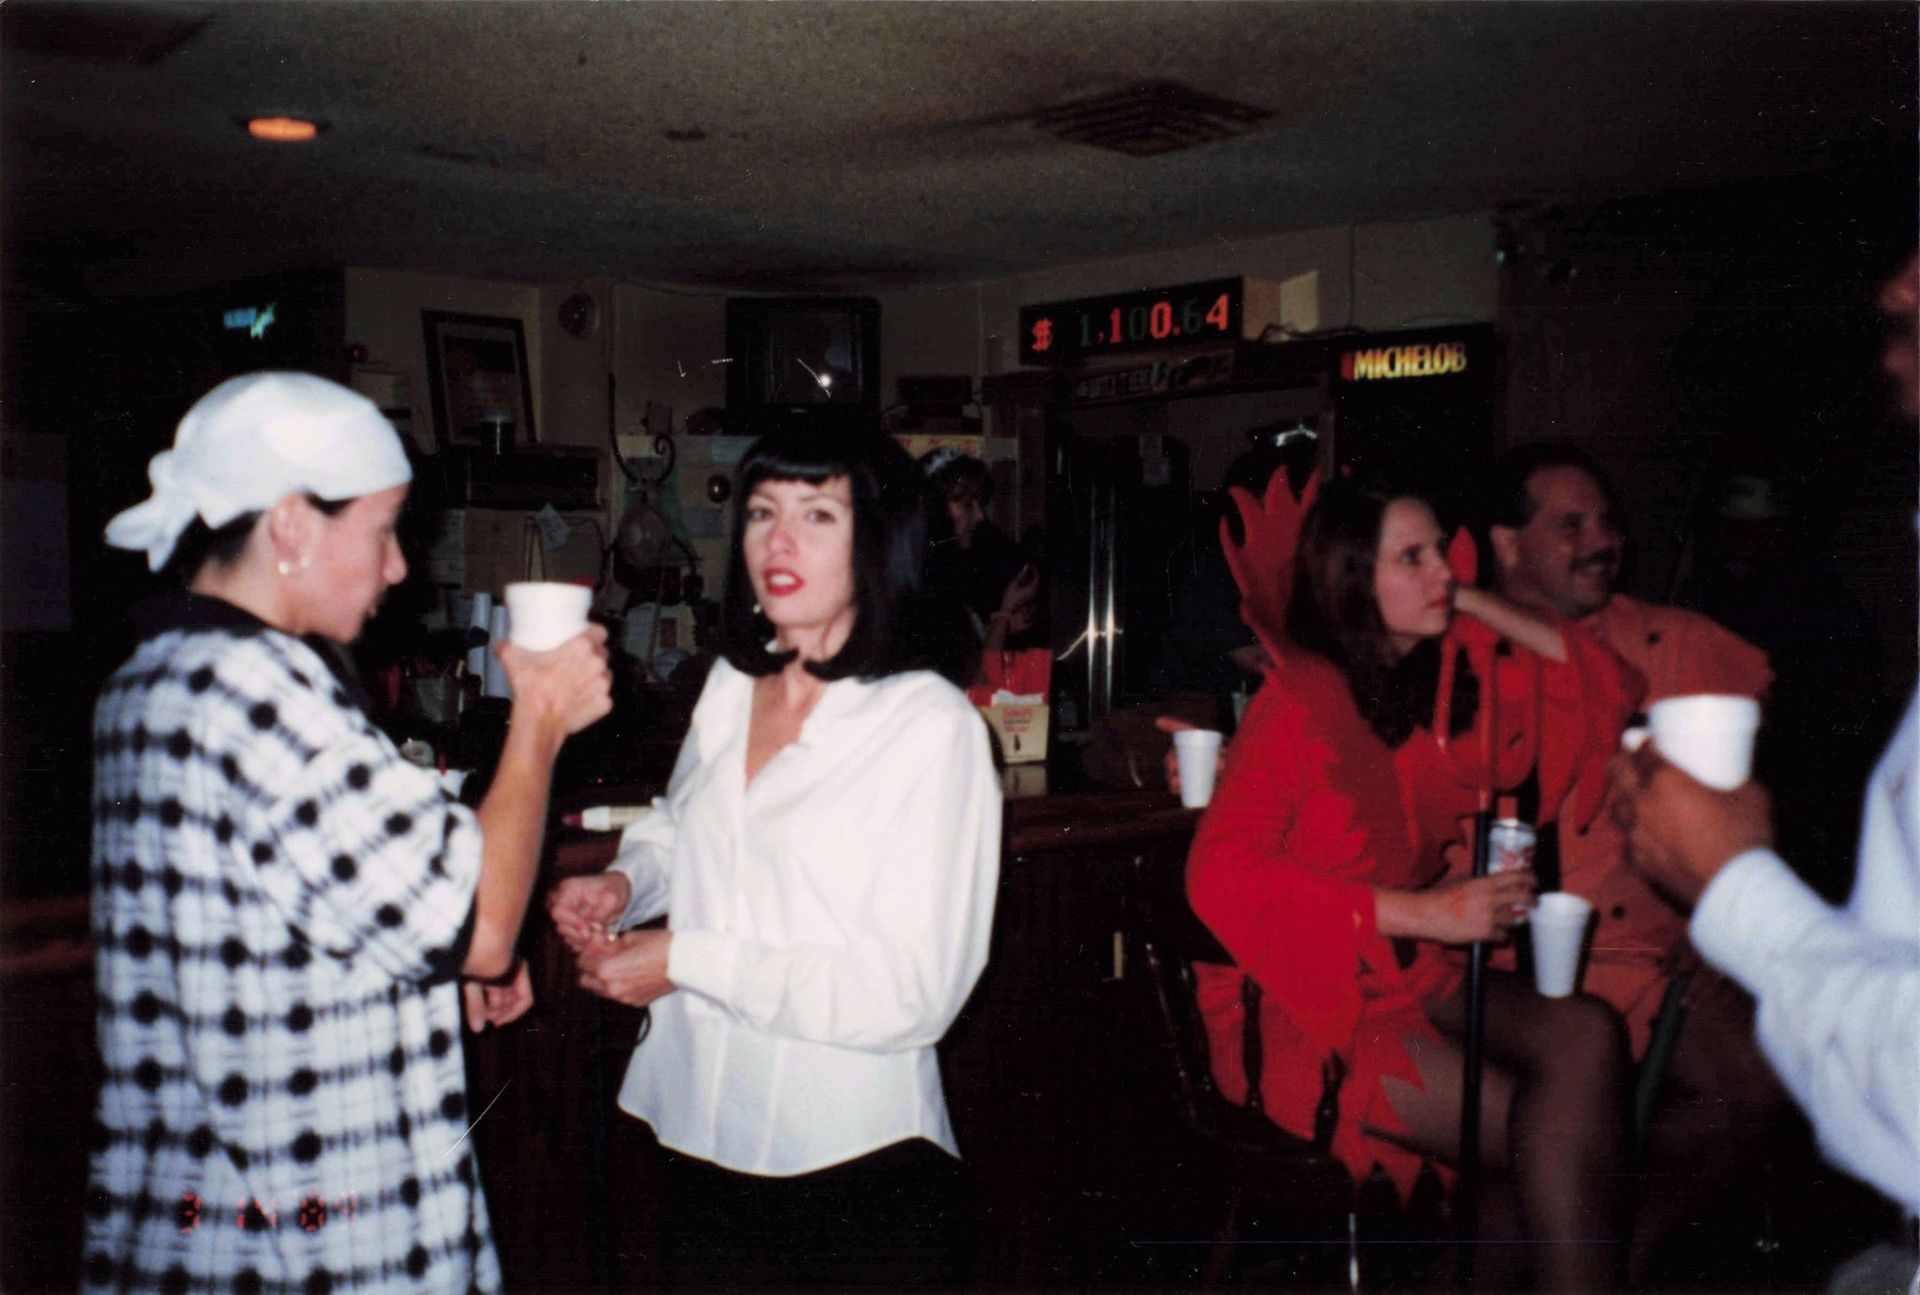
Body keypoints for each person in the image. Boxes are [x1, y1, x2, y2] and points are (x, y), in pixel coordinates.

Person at [84, 373, 612, 1293]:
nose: (399, 566)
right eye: (382, 529)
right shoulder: (263, 692)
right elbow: (486, 934)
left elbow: (252, 936)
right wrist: (540, 717)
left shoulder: (148, 680)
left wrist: (415, 979)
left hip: (190, 1224)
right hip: (308, 1243)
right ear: (290, 523)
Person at [547, 427, 1001, 1288]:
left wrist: (687, 958)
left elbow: (912, 992)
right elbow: (684, 826)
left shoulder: (929, 726)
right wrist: (625, 882)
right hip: (699, 1125)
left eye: (817, 513)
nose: (779, 540)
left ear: (877, 541)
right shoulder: (729, 682)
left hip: (851, 1163)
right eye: (762, 512)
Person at [1187, 478, 1630, 1292]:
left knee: (1588, 1034)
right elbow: (1217, 873)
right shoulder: (1299, 698)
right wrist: (1425, 907)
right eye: (1415, 558)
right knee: (1550, 1131)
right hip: (1302, 1009)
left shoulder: (1423, 687)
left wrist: (1469, 604)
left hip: (1402, 976)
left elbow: (1596, 674)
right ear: (1354, 579)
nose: (1445, 573)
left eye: (1442, 553)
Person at [1611, 250, 1920, 1224]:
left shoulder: (1796, 596)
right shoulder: (1693, 597)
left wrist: (1746, 892)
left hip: (1790, 825)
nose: (1897, 288)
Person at [1483, 442, 1788, 1277]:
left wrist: (1714, 910)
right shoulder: (1453, 650)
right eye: (1571, 522)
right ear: (1507, 545)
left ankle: (1620, 1246)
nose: (1602, 539)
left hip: (1648, 954)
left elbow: (1741, 808)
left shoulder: (1675, 645)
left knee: (1761, 1085)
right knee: (1553, 1121)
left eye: (1608, 521)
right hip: (1502, 962)